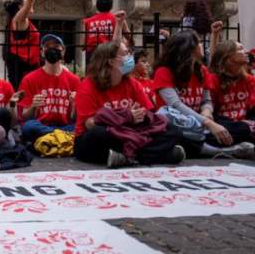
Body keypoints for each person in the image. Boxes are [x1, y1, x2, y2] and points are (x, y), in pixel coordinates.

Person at [74, 41, 185, 168]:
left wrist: (140, 117)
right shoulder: (88, 85)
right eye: (126, 54)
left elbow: (149, 113)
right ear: (111, 61)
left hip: (131, 133)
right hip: (104, 135)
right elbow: (90, 123)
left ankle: (127, 157)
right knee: (98, 133)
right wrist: (126, 117)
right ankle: (158, 155)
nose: (130, 57)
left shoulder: (132, 83)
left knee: (173, 130)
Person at [153, 30, 254, 158]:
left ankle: (204, 146)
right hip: (178, 123)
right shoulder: (163, 72)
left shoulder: (202, 70)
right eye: (199, 42)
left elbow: (206, 101)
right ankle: (220, 150)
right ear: (189, 49)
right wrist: (208, 122)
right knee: (173, 135)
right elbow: (175, 105)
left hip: (200, 122)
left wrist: (207, 111)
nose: (201, 45)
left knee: (241, 129)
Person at [18, 34, 80, 143]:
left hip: (65, 126)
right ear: (42, 52)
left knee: (80, 127)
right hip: (41, 125)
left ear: (63, 51)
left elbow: (75, 118)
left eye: (56, 46)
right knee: (29, 126)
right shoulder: (29, 79)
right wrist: (33, 106)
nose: (52, 49)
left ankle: (51, 138)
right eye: (47, 46)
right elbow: (25, 117)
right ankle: (60, 138)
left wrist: (74, 105)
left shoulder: (74, 80)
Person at [208, 39, 255, 148]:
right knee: (243, 129)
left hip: (245, 124)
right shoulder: (213, 79)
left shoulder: (250, 80)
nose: (246, 51)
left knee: (245, 128)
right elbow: (210, 111)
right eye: (240, 49)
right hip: (223, 124)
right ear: (228, 57)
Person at [4, 0, 40, 89]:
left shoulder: (21, 20)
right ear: (20, 7)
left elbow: (29, 1)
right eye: (26, 4)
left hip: (27, 64)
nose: (31, 5)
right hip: (22, 65)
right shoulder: (19, 19)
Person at [82, 0, 116, 64]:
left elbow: (83, 43)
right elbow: (126, 35)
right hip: (108, 51)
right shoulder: (116, 19)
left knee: (91, 74)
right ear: (111, 6)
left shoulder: (87, 21)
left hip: (92, 52)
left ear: (97, 6)